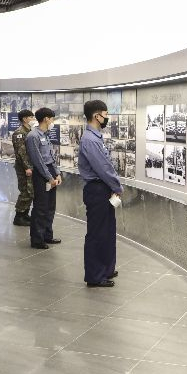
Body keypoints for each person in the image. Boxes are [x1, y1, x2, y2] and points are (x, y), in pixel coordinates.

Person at [78, 100, 123, 288]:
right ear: (96, 116)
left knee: (107, 231)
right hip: (97, 190)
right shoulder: (90, 139)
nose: (107, 118)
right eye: (105, 114)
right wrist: (117, 186)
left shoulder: (95, 137)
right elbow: (103, 168)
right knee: (97, 234)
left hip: (103, 188)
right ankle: (95, 276)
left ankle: (106, 269)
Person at [25, 107, 62, 249]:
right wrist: (49, 177)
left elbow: (51, 156)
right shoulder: (32, 136)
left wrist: (57, 173)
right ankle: (37, 239)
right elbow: (38, 160)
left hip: (50, 171)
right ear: (46, 119)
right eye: (52, 119)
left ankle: (47, 235)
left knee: (50, 206)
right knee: (41, 207)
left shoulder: (45, 134)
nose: (53, 121)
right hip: (41, 174)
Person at [11, 109, 37, 226]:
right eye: (31, 117)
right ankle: (19, 216)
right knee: (25, 191)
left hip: (30, 166)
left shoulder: (30, 131)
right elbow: (21, 153)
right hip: (23, 167)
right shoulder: (19, 133)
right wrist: (27, 167)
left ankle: (25, 214)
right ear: (25, 119)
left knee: (30, 191)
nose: (33, 119)